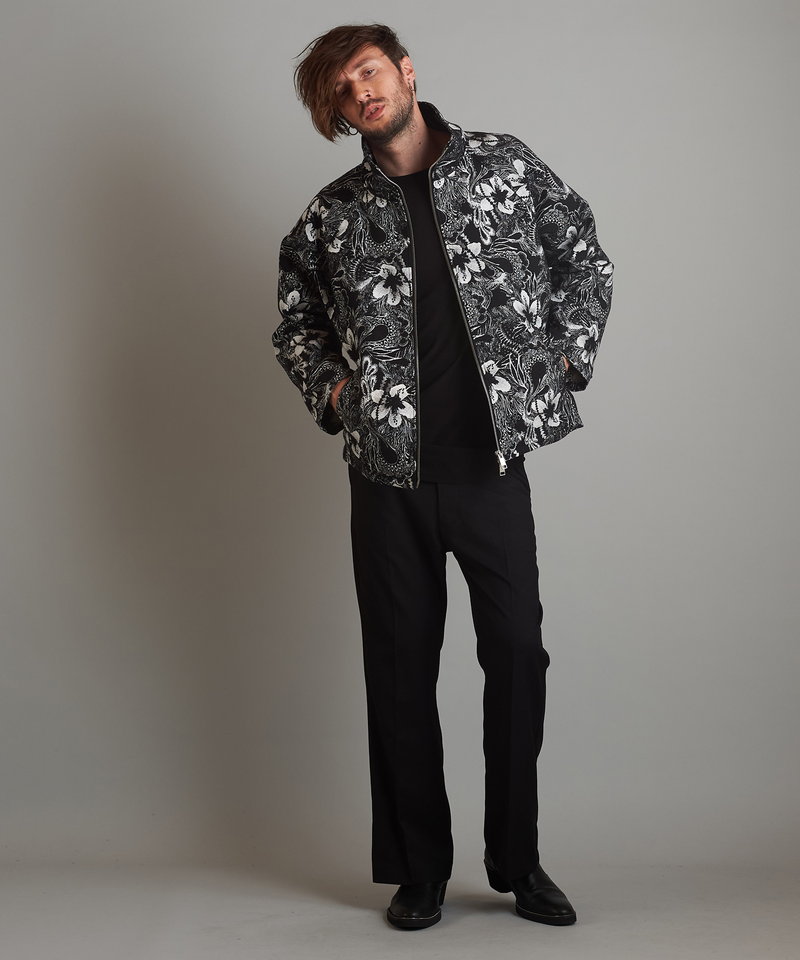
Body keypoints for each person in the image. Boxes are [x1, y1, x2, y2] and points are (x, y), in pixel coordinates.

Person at [272, 23, 614, 930]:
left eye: (368, 72)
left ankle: (518, 860)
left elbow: (583, 255)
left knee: (517, 656)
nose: (362, 93)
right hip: (387, 477)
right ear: (338, 111)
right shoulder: (333, 213)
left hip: (489, 468)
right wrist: (337, 393)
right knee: (398, 671)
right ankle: (418, 868)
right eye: (343, 89)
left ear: (405, 70)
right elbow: (296, 319)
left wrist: (559, 364)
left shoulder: (502, 165)